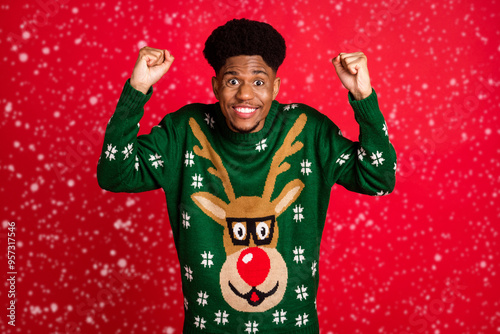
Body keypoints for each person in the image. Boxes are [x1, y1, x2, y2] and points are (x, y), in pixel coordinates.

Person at [97, 18, 396, 334]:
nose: (244, 96)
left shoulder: (308, 130)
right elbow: (115, 174)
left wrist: (364, 96)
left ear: (275, 87)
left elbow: (378, 177)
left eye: (258, 81)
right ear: (215, 86)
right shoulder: (184, 131)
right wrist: (137, 89)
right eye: (232, 81)